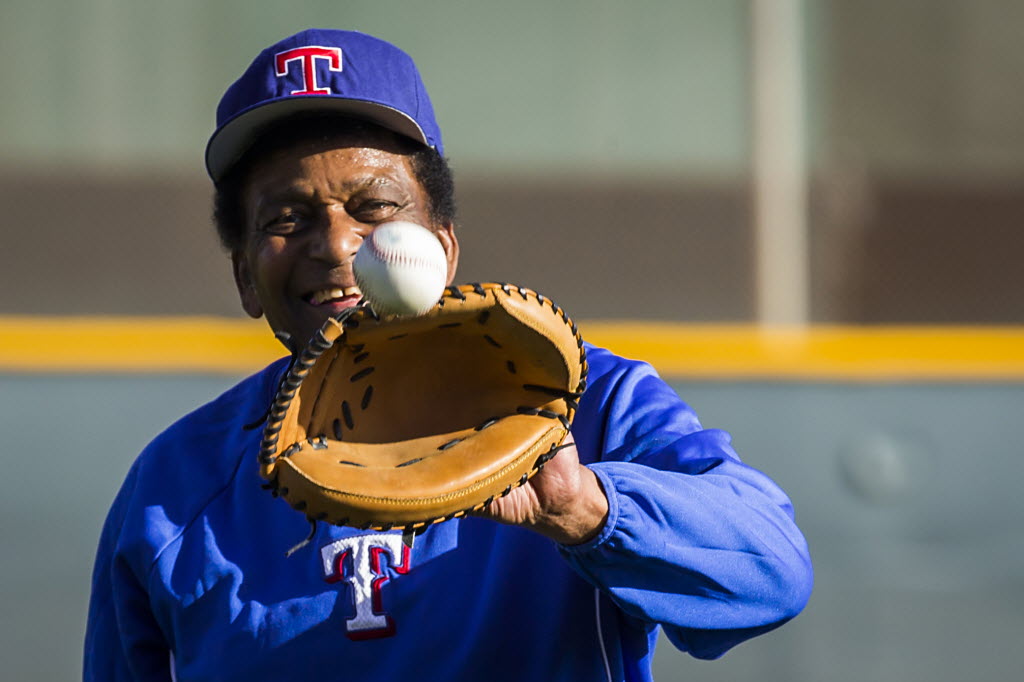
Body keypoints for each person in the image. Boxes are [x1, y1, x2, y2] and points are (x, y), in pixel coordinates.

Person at [85, 28, 812, 682]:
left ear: (443, 246)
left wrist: (585, 509)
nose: (337, 245)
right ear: (246, 275)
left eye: (374, 208)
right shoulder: (174, 488)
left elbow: (771, 575)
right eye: (286, 218)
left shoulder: (580, 404)